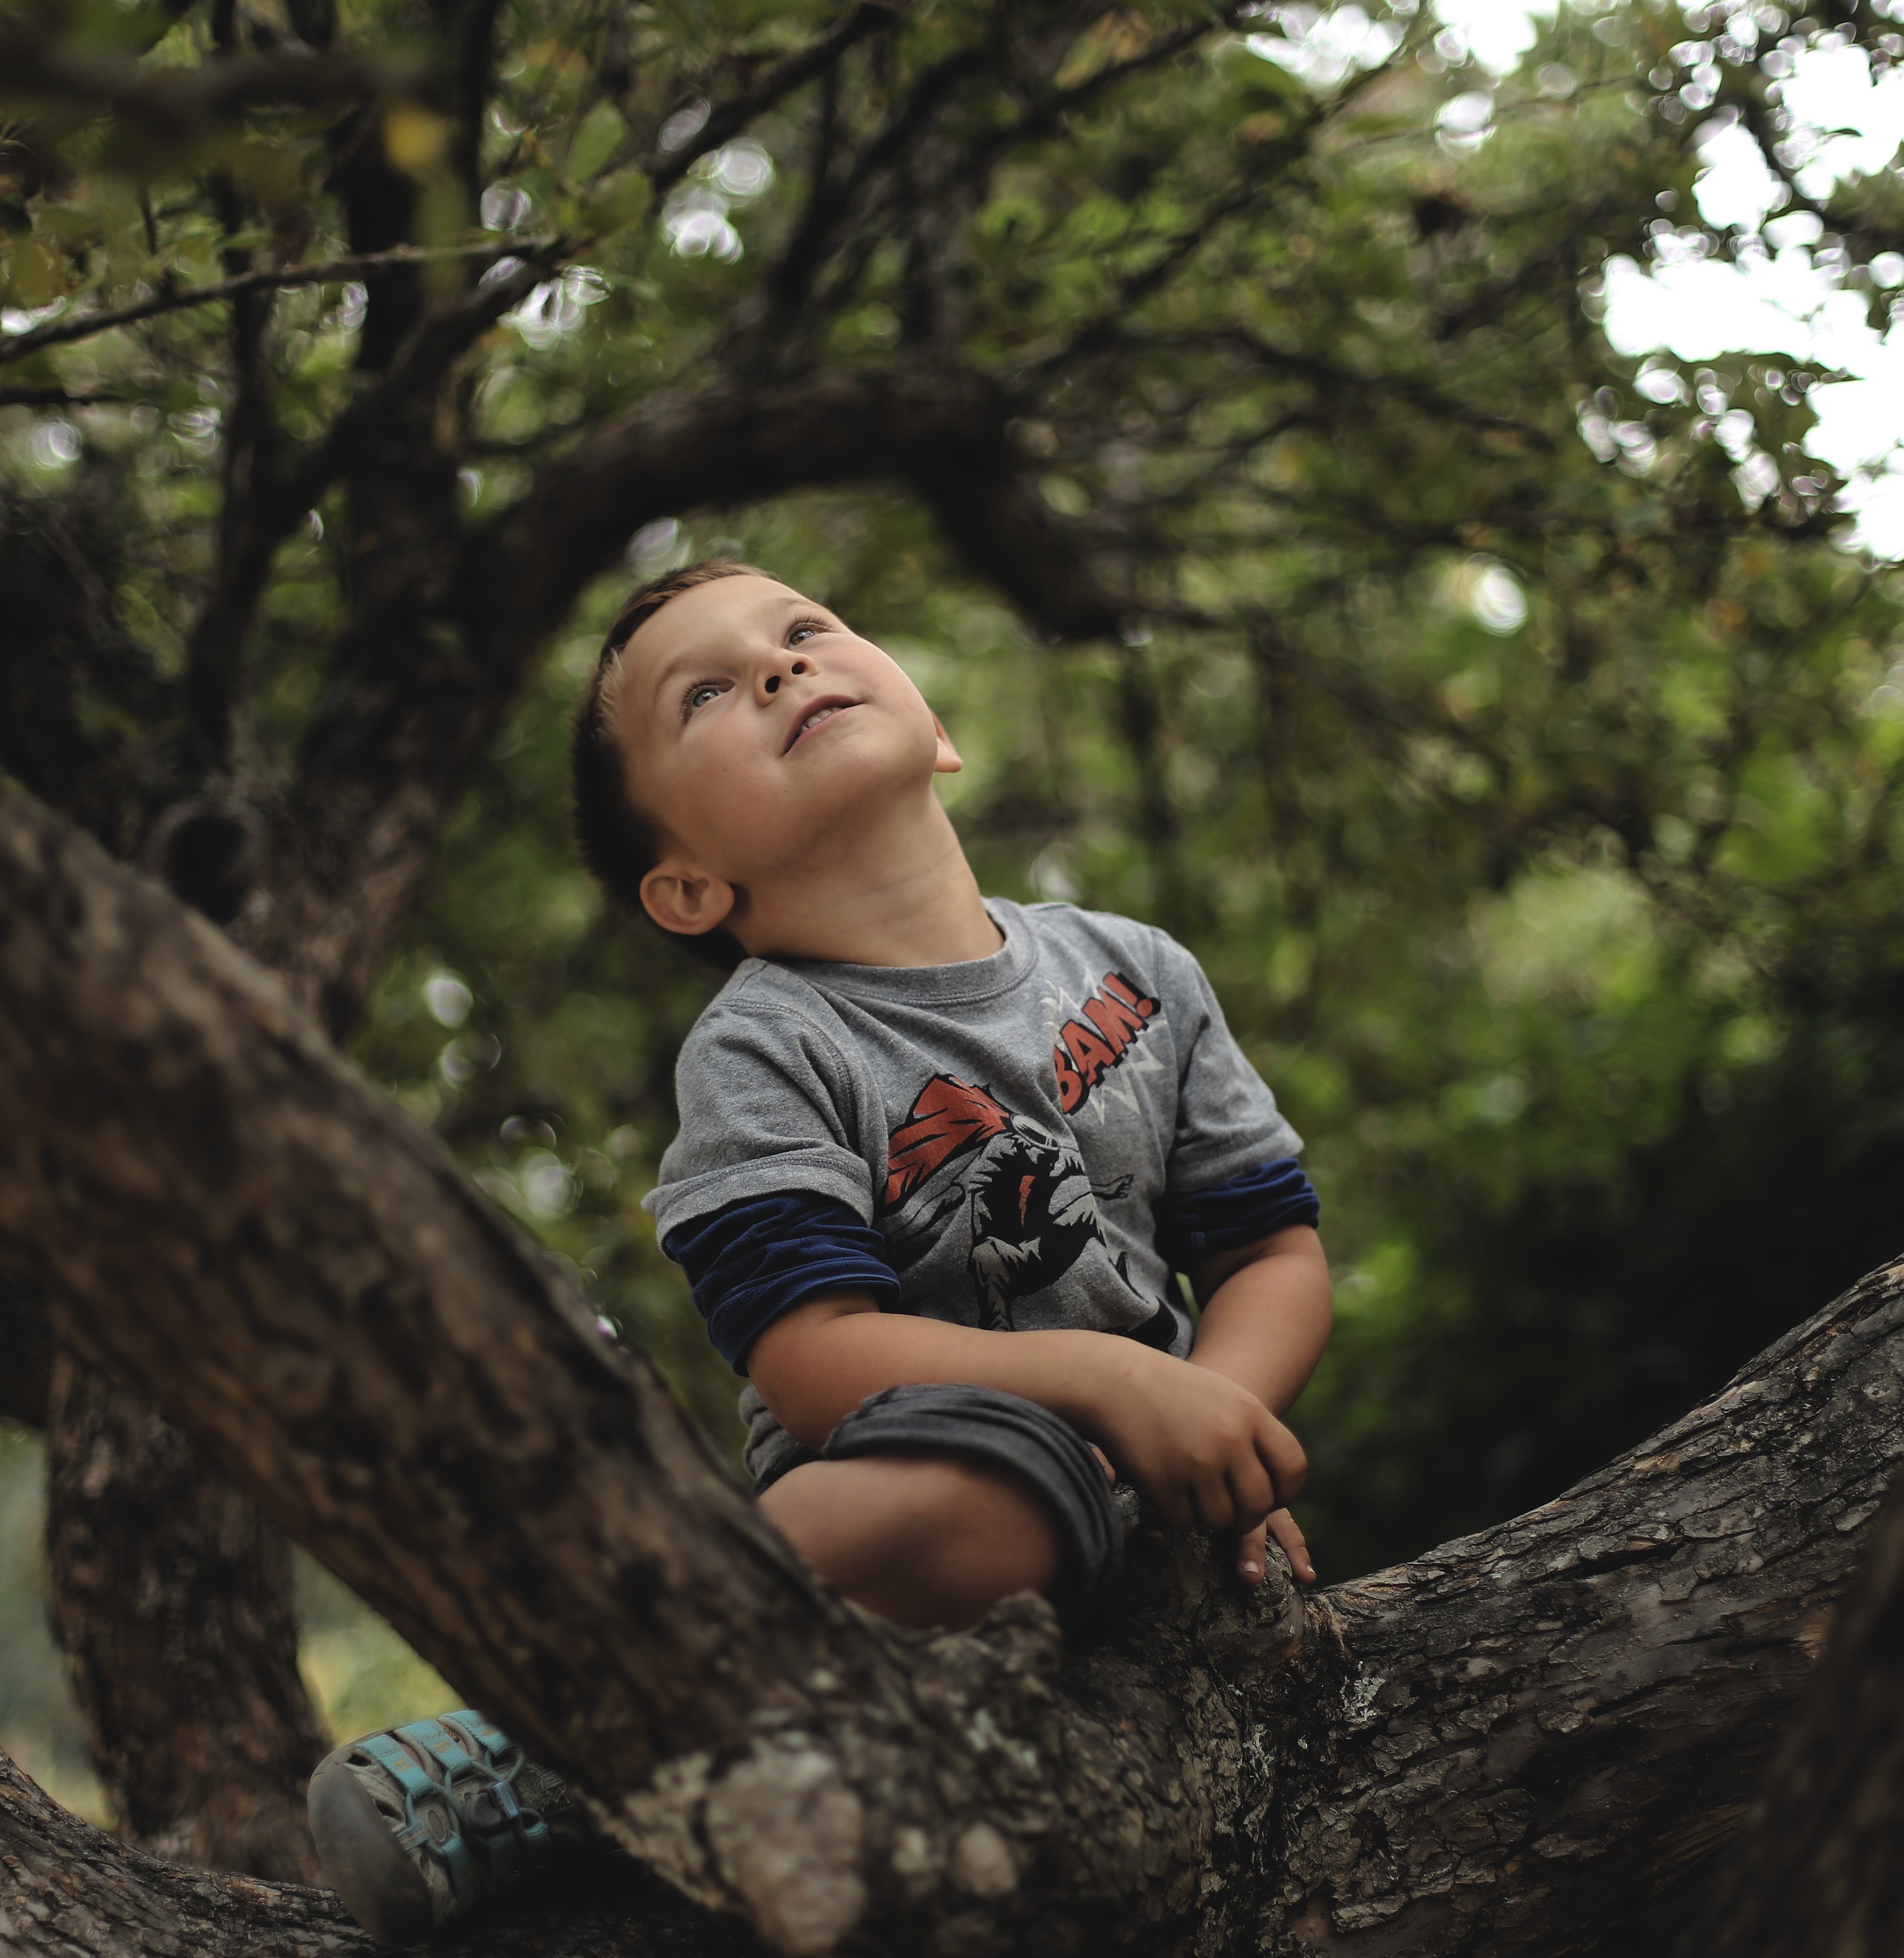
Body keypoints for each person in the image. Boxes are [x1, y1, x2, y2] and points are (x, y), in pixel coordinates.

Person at [307, 559, 1332, 1942]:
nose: (783, 669)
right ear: (685, 887)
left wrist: (1216, 1425)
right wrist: (1114, 1383)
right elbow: (812, 1362)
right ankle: (578, 1737)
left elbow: (1270, 1245)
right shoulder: (767, 1045)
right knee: (982, 1497)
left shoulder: (1135, 967)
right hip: (898, 1512)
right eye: (710, 693)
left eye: (804, 633)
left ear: (937, 729)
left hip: (1143, 1517)